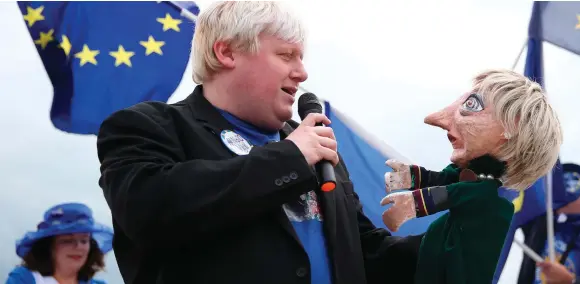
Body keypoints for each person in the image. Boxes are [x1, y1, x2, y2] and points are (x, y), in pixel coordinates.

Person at [96, 2, 422, 284]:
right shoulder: (148, 126)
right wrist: (290, 158)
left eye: (301, 58)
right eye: (286, 55)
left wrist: (455, 239)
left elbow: (364, 250)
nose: (302, 72)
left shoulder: (316, 146)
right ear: (226, 52)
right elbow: (148, 211)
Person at [380, 69, 563, 284]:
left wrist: (413, 203)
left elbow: (453, 193)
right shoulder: (466, 180)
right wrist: (411, 177)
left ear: (512, 125)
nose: (440, 121)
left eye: (472, 105)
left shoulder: (490, 204)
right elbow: (443, 181)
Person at [5, 202, 113, 284]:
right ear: (48, 246)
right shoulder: (23, 279)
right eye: (67, 240)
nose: (78, 247)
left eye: (84, 240)